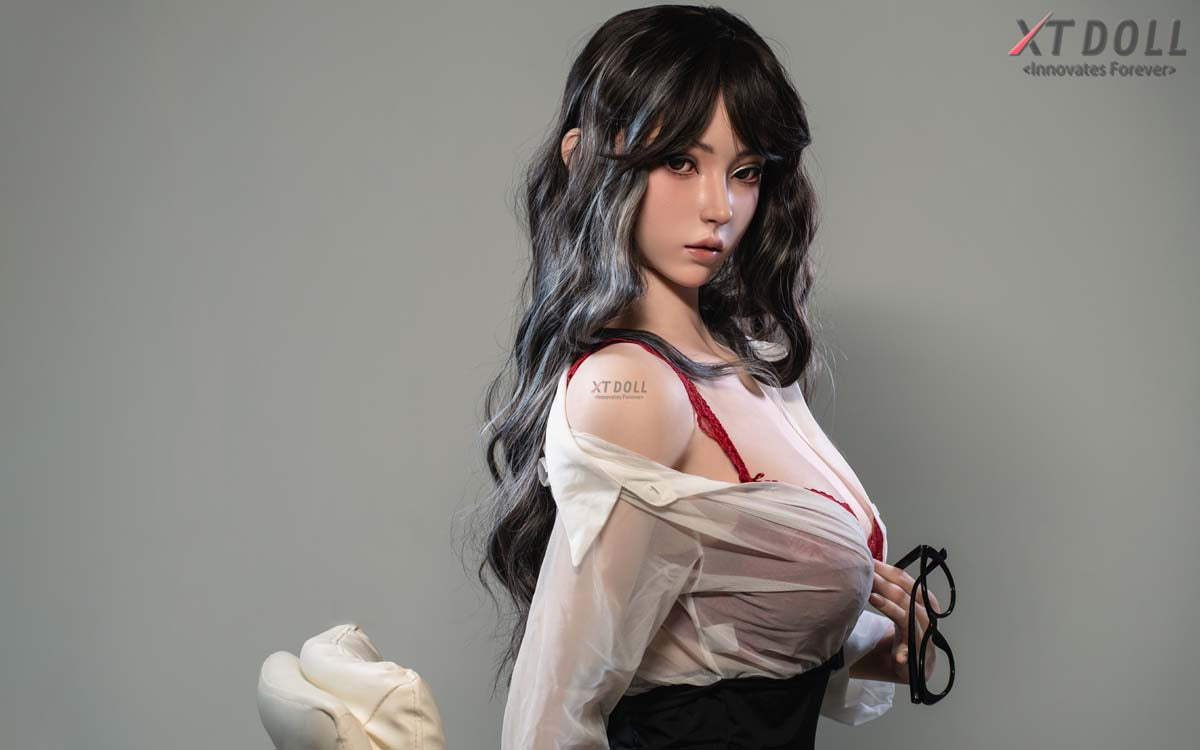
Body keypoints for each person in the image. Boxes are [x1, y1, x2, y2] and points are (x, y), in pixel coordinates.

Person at [470, 5, 939, 747]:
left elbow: (735, 656)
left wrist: (888, 644)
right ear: (588, 161)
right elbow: (550, 721)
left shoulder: (754, 367)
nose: (719, 207)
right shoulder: (633, 390)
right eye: (680, 162)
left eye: (744, 172)